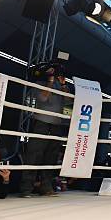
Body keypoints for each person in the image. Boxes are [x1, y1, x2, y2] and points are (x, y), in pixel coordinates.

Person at [20, 65, 69, 197]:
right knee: (34, 155)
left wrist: (63, 84)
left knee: (51, 157)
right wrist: (50, 82)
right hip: (41, 122)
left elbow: (69, 100)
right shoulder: (39, 84)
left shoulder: (60, 85)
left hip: (56, 124)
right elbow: (43, 98)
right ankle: (26, 189)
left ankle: (46, 187)